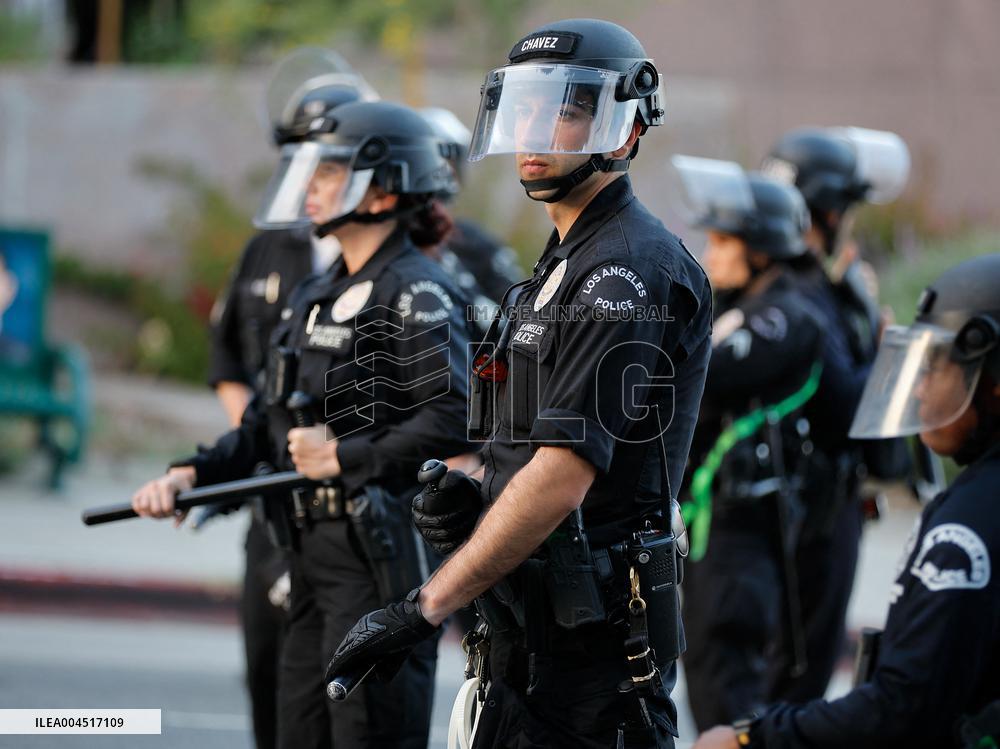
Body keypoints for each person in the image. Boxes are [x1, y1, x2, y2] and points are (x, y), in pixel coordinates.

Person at [326, 18, 714, 749]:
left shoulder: (625, 272)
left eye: (564, 111)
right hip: (527, 644)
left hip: (592, 666)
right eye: (525, 108)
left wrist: (422, 607)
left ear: (626, 131)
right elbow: (528, 447)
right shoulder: (564, 262)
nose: (535, 132)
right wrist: (476, 491)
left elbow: (563, 474)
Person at [131, 99, 472, 749]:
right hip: (309, 551)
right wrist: (191, 475)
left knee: (368, 733)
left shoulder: (416, 290)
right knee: (298, 732)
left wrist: (346, 455)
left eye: (329, 171)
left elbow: (457, 416)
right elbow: (268, 420)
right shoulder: (316, 293)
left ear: (382, 192)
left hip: (380, 559)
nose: (311, 186)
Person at [693, 252, 1000, 748]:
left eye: (935, 368)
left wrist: (752, 738)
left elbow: (901, 707)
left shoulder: (963, 531)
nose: (918, 389)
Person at [203, 48, 374, 749]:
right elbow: (229, 362)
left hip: (352, 513)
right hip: (271, 500)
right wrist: (255, 445)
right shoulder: (268, 250)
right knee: (272, 687)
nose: (310, 179)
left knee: (348, 710)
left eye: (327, 163)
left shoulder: (392, 266)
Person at [668, 157, 824, 729]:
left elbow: (706, 371)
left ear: (759, 248)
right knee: (707, 672)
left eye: (722, 241)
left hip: (743, 536)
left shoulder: (785, 317)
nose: (711, 254)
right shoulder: (743, 307)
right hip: (717, 531)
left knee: (724, 680)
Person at [758, 126, 912, 702]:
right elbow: (851, 407)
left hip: (802, 508)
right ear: (826, 212)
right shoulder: (804, 295)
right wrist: (885, 345)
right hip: (816, 513)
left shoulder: (788, 284)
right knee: (798, 677)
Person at [420, 106, 525, 308]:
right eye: (431, 160)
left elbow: (518, 307)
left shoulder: (476, 242)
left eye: (449, 161)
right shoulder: (388, 243)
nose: (443, 172)